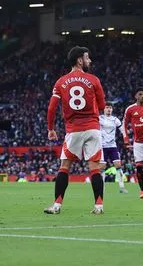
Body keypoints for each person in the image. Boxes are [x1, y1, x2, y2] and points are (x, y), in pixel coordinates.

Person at [44, 46, 106, 215]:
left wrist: (51, 128)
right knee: (94, 167)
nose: (89, 61)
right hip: (93, 128)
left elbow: (51, 109)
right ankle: (99, 206)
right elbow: (101, 106)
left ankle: (56, 206)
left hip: (73, 130)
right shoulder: (94, 80)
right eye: (87, 58)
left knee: (65, 166)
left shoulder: (60, 82)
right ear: (80, 60)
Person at [99, 102, 128, 193]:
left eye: (110, 108)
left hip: (112, 146)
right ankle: (101, 188)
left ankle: (122, 187)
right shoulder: (99, 118)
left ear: (112, 109)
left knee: (118, 165)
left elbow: (122, 129)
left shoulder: (115, 120)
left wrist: (125, 138)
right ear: (104, 109)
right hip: (102, 146)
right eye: (107, 107)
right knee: (102, 167)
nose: (109, 109)